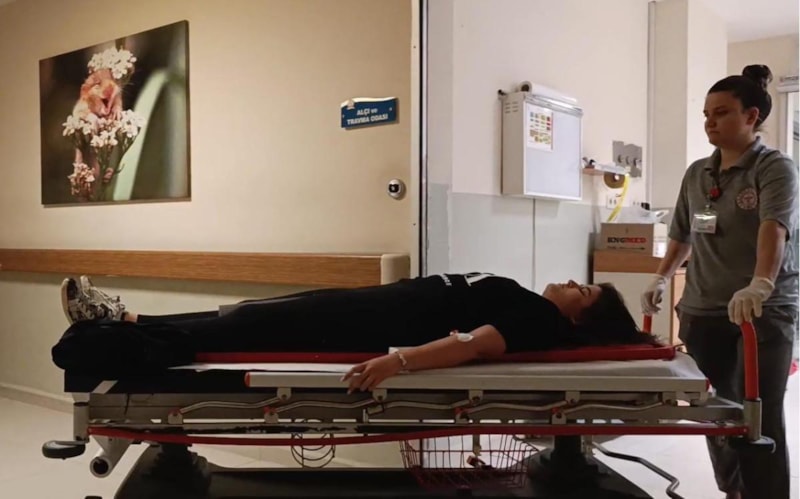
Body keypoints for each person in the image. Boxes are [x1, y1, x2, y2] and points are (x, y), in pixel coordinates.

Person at [56, 272, 656, 392]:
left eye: (583, 291)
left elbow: (473, 345)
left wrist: (399, 361)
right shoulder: (535, 304)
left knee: (248, 324)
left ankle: (121, 328)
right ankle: (123, 319)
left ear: (580, 318)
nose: (571, 284)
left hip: (378, 325)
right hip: (378, 306)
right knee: (248, 314)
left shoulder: (538, 319)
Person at [640, 64, 798, 499]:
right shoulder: (698, 173)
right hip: (704, 309)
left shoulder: (774, 167)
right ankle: (733, 491)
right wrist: (660, 277)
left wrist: (760, 283)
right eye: (706, 114)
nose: (710, 122)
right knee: (715, 411)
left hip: (761, 311)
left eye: (722, 113)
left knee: (758, 413)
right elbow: (681, 234)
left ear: (751, 116)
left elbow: (773, 229)